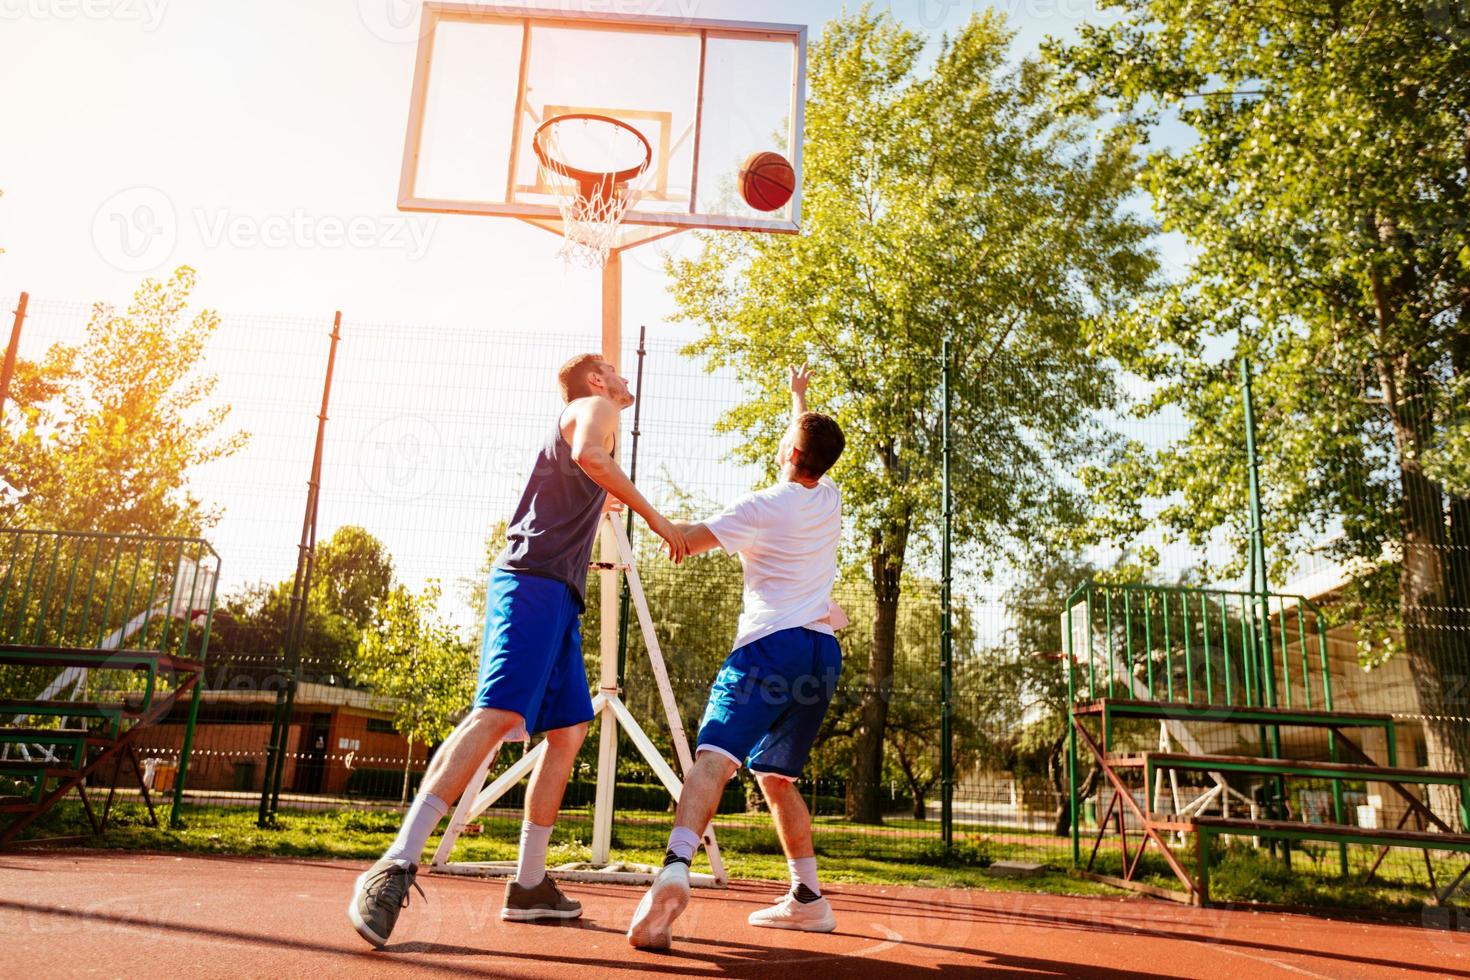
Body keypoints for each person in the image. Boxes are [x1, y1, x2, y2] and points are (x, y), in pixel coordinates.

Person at [349, 353, 688, 949]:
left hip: (557, 592)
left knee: (569, 731)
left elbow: (584, 472)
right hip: (532, 580)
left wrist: (600, 502)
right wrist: (659, 521)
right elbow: (590, 455)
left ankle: (530, 885)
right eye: (614, 368)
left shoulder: (591, 417)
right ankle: (394, 863)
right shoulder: (594, 408)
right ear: (594, 380)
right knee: (498, 715)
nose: (624, 379)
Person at [627, 364, 847, 951]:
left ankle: (674, 866)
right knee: (776, 776)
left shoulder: (759, 508)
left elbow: (682, 541)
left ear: (790, 451)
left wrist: (636, 504)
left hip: (768, 649)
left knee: (714, 759)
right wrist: (797, 396)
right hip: (821, 652)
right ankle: (808, 898)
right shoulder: (829, 496)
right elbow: (803, 441)